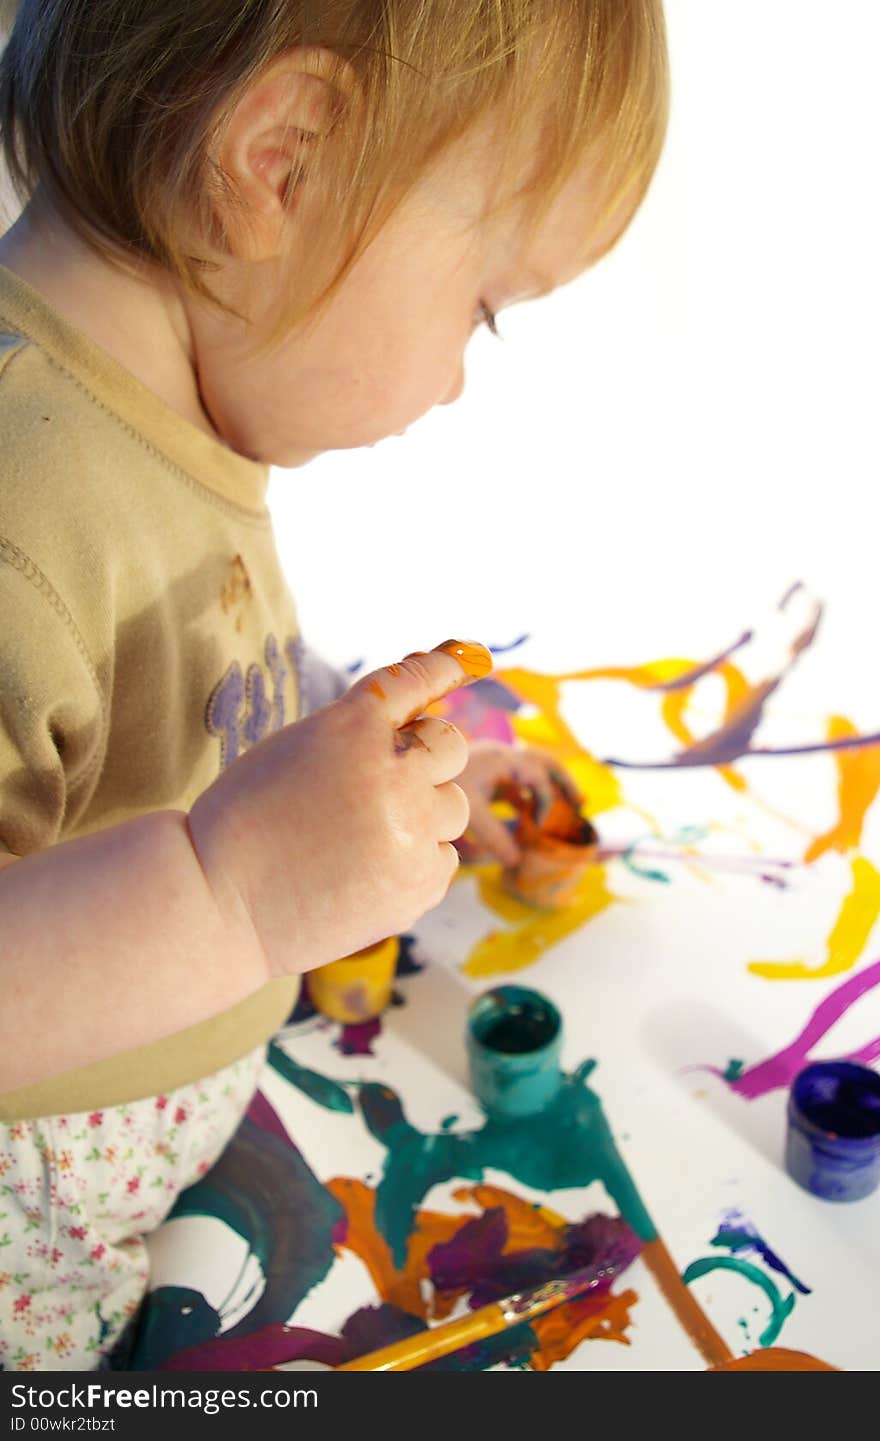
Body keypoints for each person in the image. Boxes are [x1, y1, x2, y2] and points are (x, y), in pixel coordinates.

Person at [0, 0, 668, 1369]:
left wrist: (393, 766)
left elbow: (180, 685)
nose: (466, 376)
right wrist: (230, 889)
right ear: (284, 160)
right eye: (486, 303)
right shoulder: (24, 494)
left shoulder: (160, 409)